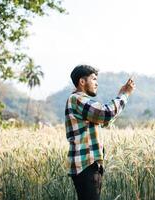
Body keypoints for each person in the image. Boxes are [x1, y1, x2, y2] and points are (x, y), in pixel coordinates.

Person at [65, 65, 135, 200]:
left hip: (89, 165)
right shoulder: (77, 99)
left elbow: (104, 120)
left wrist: (121, 95)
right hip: (86, 164)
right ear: (82, 81)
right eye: (94, 79)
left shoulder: (81, 102)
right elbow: (106, 113)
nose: (97, 83)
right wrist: (124, 95)